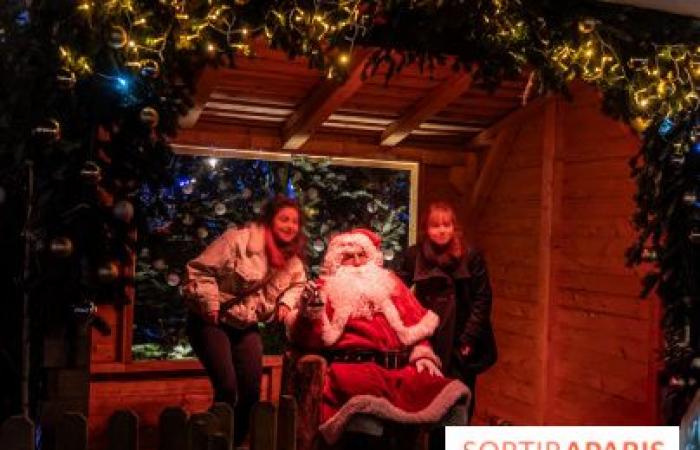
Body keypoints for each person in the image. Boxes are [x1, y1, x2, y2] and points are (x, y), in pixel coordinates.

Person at [286, 228, 470, 446]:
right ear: (336, 262)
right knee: (365, 416)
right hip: (354, 373)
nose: (356, 262)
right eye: (347, 257)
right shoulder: (323, 289)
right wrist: (309, 314)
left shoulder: (390, 284)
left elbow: (417, 323)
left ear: (371, 257)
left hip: (400, 373)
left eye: (361, 255)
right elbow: (307, 338)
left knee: (452, 404)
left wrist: (423, 354)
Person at [183, 195, 307, 447]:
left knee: (250, 391)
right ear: (270, 220)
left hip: (244, 325)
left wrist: (285, 303)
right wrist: (211, 304)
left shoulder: (292, 261)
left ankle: (231, 441)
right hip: (212, 321)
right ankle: (204, 441)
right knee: (227, 388)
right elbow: (198, 270)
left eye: (294, 222)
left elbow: (299, 284)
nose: (290, 226)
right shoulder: (238, 241)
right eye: (284, 219)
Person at [399, 201, 497, 425]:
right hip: (430, 340)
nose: (442, 230)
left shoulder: (470, 255)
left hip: (461, 339)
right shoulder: (415, 255)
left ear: (454, 227)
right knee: (431, 402)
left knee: (461, 399)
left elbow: (483, 299)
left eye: (446, 225)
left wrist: (468, 339)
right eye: (435, 226)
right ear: (426, 228)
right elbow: (399, 292)